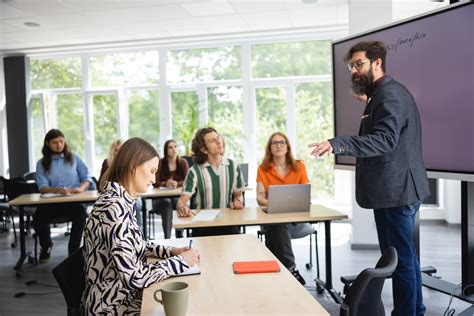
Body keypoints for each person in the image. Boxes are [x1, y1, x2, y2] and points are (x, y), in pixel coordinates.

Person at [309, 41, 429, 316]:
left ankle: (408, 313)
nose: (354, 70)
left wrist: (336, 143)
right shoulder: (382, 95)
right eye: (351, 66)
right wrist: (370, 103)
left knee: (399, 259)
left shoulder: (390, 95)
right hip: (393, 189)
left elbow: (385, 140)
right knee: (402, 257)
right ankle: (416, 310)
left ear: (377, 62)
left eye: (359, 64)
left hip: (396, 191)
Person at [82, 138, 199, 314]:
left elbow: (138, 246)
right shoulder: (113, 208)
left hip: (123, 296)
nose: (153, 179)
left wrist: (170, 252)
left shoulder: (120, 200)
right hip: (112, 307)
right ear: (133, 166)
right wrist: (181, 262)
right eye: (151, 171)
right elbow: (134, 278)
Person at [256, 132, 309, 285]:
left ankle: (278, 272)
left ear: (287, 147)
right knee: (276, 225)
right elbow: (260, 198)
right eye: (274, 143)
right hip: (273, 218)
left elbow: (305, 194)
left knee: (274, 230)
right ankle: (290, 268)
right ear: (269, 148)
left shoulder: (299, 166)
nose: (278, 145)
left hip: (296, 221)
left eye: (282, 142)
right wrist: (272, 205)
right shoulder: (263, 169)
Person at [34, 129, 91, 262]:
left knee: (81, 214)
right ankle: (46, 245)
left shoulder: (74, 158)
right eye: (55, 142)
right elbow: (42, 188)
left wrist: (81, 188)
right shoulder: (41, 163)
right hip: (51, 203)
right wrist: (57, 190)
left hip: (72, 202)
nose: (59, 145)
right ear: (48, 143)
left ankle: (73, 251)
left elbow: (86, 177)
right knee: (38, 217)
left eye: (61, 141)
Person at [176, 127, 245, 236]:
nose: (218, 142)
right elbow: (181, 202)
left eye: (218, 138)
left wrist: (238, 201)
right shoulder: (195, 171)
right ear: (204, 149)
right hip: (203, 226)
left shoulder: (233, 166)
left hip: (228, 224)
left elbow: (238, 195)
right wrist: (182, 208)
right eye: (212, 141)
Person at [98, 139, 144, 229]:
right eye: (116, 150)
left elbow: (135, 185)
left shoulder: (130, 164)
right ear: (112, 152)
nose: (118, 152)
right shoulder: (106, 163)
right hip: (113, 197)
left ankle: (139, 233)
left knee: (136, 205)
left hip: (128, 196)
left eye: (120, 150)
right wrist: (113, 164)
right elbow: (100, 186)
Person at [152, 139, 189, 239]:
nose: (174, 149)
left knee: (177, 202)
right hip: (160, 200)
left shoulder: (183, 162)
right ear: (166, 150)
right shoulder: (160, 163)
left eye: (175, 146)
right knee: (167, 202)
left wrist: (177, 184)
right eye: (170, 147)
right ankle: (167, 238)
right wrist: (165, 183)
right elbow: (155, 181)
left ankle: (179, 235)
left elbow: (187, 180)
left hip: (176, 198)